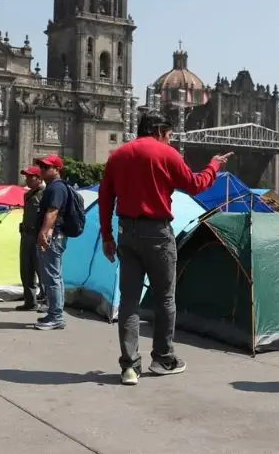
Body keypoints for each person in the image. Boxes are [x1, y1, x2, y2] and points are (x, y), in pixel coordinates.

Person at [98, 112, 232, 386]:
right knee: (165, 298)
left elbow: (105, 198)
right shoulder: (166, 154)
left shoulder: (118, 156)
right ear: (160, 130)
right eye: (169, 135)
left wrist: (107, 236)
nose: (170, 140)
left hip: (126, 232)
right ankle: (163, 358)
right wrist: (214, 166)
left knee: (129, 301)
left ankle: (129, 367)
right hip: (157, 233)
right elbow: (196, 185)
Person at [33, 155, 71, 331]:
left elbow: (52, 212)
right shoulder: (54, 187)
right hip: (54, 236)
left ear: (57, 169)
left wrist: (43, 232)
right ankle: (54, 313)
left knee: (52, 277)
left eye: (46, 167)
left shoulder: (56, 188)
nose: (42, 169)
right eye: (41, 166)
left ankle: (56, 316)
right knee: (54, 276)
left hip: (52, 236)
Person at [16, 165, 46, 312]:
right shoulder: (28, 194)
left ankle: (46, 301)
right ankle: (30, 301)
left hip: (37, 236)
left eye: (30, 177)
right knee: (26, 270)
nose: (26, 179)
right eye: (26, 176)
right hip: (26, 235)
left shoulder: (45, 193)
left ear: (38, 178)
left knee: (41, 270)